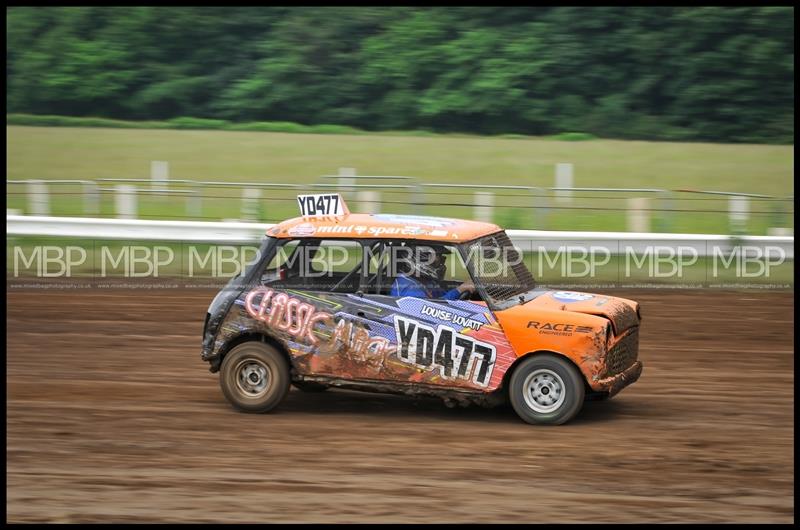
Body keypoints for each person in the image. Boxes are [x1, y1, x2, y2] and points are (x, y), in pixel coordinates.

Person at [389, 246, 475, 300]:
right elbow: (431, 310)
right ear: (419, 259)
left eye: (441, 260)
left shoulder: (424, 280)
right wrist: (459, 290)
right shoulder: (408, 287)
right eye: (436, 261)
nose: (441, 265)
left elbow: (441, 294)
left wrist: (465, 286)